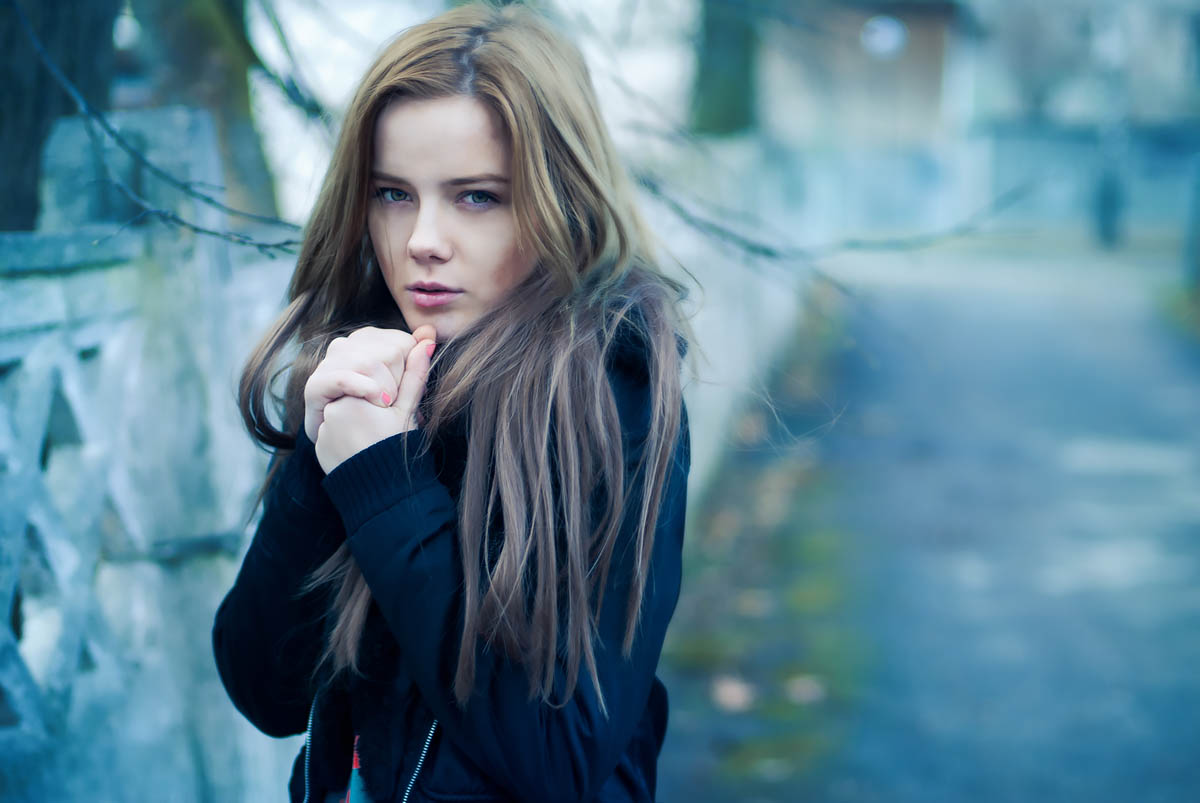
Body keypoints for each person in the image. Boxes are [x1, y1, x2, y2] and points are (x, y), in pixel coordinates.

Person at [211, 3, 692, 802]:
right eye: (393, 194)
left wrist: (385, 479)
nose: (421, 240)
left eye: (476, 197)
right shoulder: (366, 367)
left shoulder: (614, 397)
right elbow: (266, 692)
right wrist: (322, 456)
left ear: (559, 201)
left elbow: (556, 758)